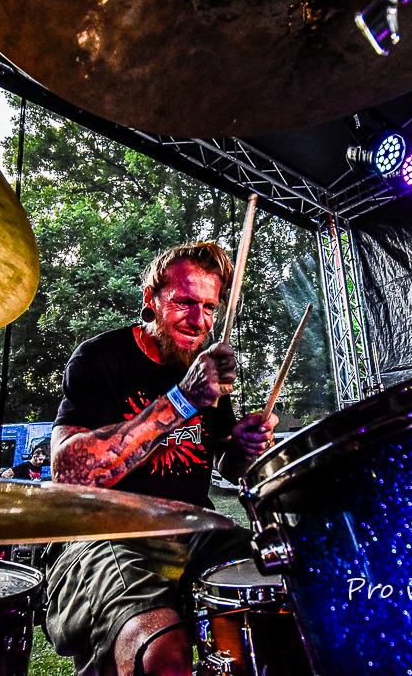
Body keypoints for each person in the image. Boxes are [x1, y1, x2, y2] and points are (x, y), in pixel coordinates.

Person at [44, 242, 278, 676]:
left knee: (284, 593)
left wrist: (243, 447)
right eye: (184, 302)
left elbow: (225, 465)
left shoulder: (205, 368)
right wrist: (181, 400)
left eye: (209, 307)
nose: (198, 320)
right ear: (150, 300)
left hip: (195, 528)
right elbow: (69, 472)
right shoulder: (101, 357)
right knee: (160, 652)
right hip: (107, 534)